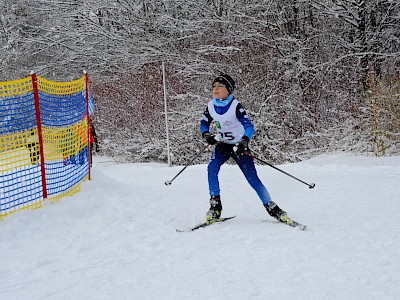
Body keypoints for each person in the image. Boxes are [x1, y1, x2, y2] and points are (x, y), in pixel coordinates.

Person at [199, 73, 289, 223]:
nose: (216, 89)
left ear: (228, 89)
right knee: (211, 168)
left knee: (252, 178)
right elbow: (203, 124)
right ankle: (215, 206)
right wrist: (206, 134)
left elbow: (249, 126)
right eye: (214, 86)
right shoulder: (211, 106)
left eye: (220, 86)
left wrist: (244, 141)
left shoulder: (235, 106)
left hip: (238, 146)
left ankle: (272, 207)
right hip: (222, 144)